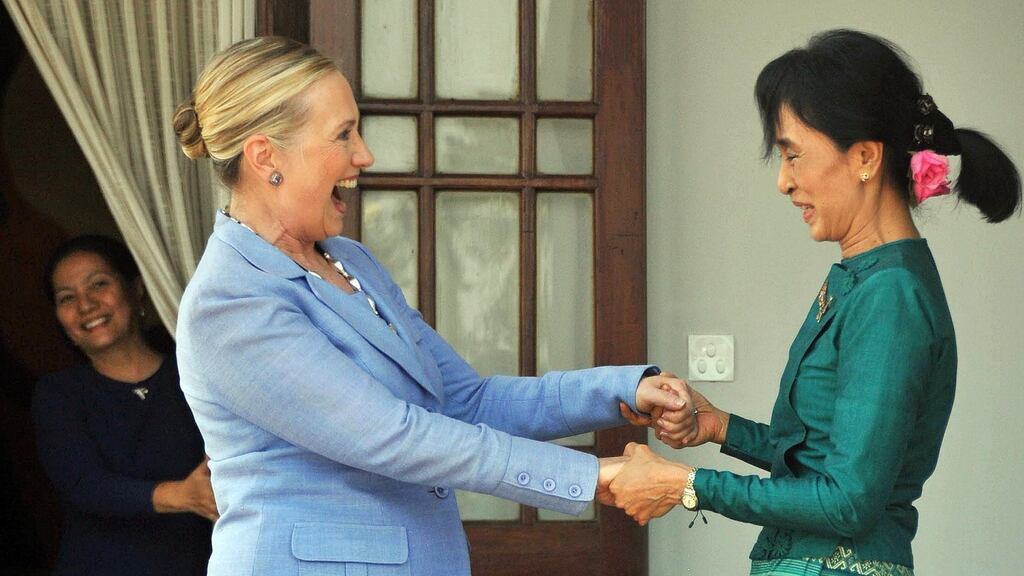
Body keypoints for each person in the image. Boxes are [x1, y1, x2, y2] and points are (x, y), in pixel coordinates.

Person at [171, 36, 695, 575]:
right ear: (266, 157)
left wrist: (618, 392)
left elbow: (464, 403)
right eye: (343, 134)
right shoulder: (229, 301)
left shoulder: (352, 261)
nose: (364, 155)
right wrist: (594, 477)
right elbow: (393, 435)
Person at [606, 29, 1021, 575]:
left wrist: (684, 485)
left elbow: (847, 501)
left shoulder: (890, 295)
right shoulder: (865, 278)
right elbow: (824, 459)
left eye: (794, 155)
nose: (784, 181)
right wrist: (718, 426)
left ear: (866, 156)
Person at [33, 235, 217, 575]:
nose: (86, 305)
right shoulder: (58, 395)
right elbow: (84, 485)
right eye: (67, 298)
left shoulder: (196, 375)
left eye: (99, 284)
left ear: (136, 288)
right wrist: (181, 494)